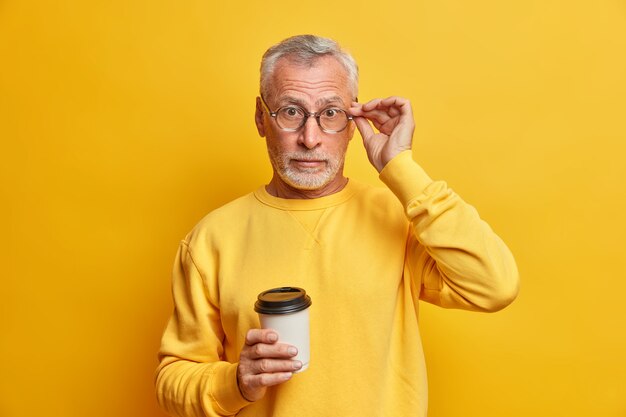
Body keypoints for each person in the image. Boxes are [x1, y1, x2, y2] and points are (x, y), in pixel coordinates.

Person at [155, 34, 519, 417]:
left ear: (352, 122)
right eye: (291, 112)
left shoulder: (400, 217)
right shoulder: (211, 239)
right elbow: (172, 379)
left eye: (330, 114)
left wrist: (400, 168)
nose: (310, 139)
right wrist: (237, 382)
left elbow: (495, 286)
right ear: (262, 118)